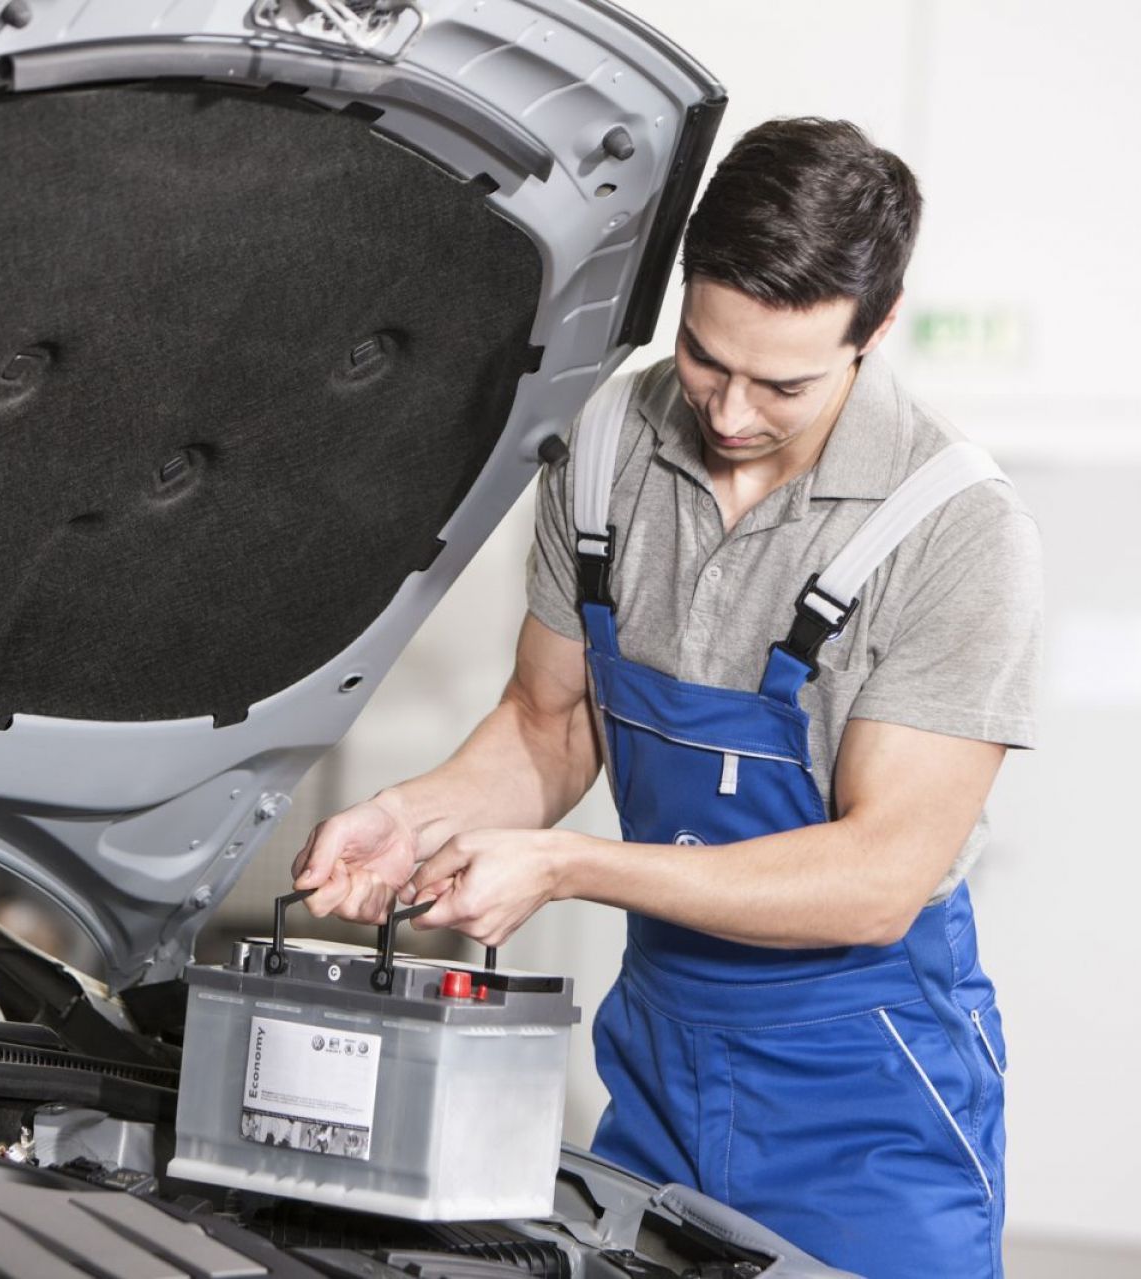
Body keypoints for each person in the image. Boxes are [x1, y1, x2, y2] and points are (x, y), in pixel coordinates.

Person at [292, 117, 1040, 1279]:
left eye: (782, 383)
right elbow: (549, 725)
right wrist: (417, 816)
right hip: (658, 1057)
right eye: (705, 356)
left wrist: (566, 865)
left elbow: (878, 877)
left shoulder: (953, 530)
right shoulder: (606, 449)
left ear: (877, 327)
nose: (730, 414)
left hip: (869, 1088)